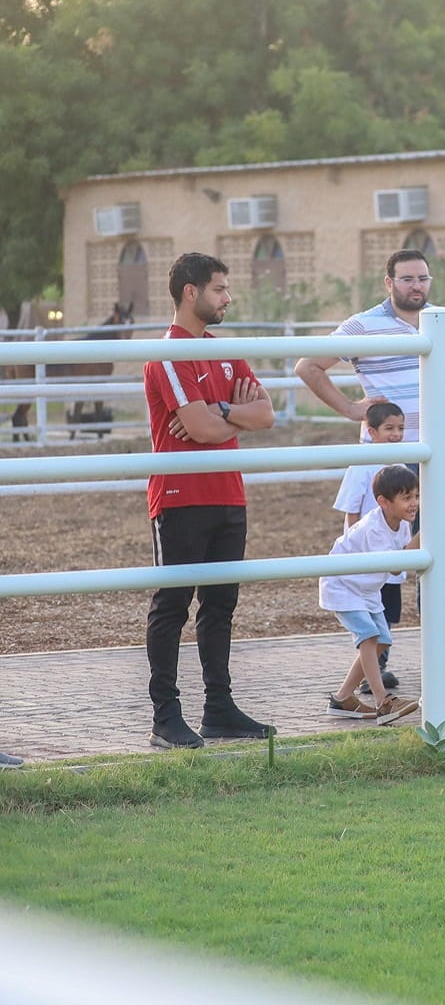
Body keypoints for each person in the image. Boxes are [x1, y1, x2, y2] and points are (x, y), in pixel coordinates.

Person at [141, 252, 277, 750]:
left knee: (220, 605)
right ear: (191, 292)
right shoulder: (169, 353)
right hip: (180, 496)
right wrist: (232, 414)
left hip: (228, 493)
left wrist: (220, 409)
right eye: (220, 289)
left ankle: (218, 708)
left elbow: (266, 415)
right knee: (172, 605)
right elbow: (198, 429)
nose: (228, 298)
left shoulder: (224, 351)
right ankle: (165, 717)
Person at [293, 248, 445, 441]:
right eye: (407, 279)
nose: (417, 286)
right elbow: (307, 366)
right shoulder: (363, 324)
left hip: (441, 443)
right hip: (386, 448)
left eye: (423, 279)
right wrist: (350, 408)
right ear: (389, 283)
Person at [321, 465, 423, 725]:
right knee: (369, 636)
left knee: (383, 640)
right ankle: (383, 701)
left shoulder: (401, 524)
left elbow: (400, 557)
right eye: (406, 498)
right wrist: (427, 533)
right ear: (383, 502)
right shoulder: (375, 528)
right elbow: (396, 565)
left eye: (416, 496)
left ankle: (343, 698)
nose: (414, 503)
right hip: (343, 584)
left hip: (366, 588)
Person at [332, 400, 408, 693]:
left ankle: (379, 667)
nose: (396, 434)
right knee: (369, 618)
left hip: (390, 552)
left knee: (387, 613)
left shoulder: (402, 465)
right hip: (367, 554)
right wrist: (357, 552)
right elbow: (351, 510)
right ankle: (371, 676)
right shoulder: (361, 465)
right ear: (372, 431)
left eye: (400, 428)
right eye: (389, 428)